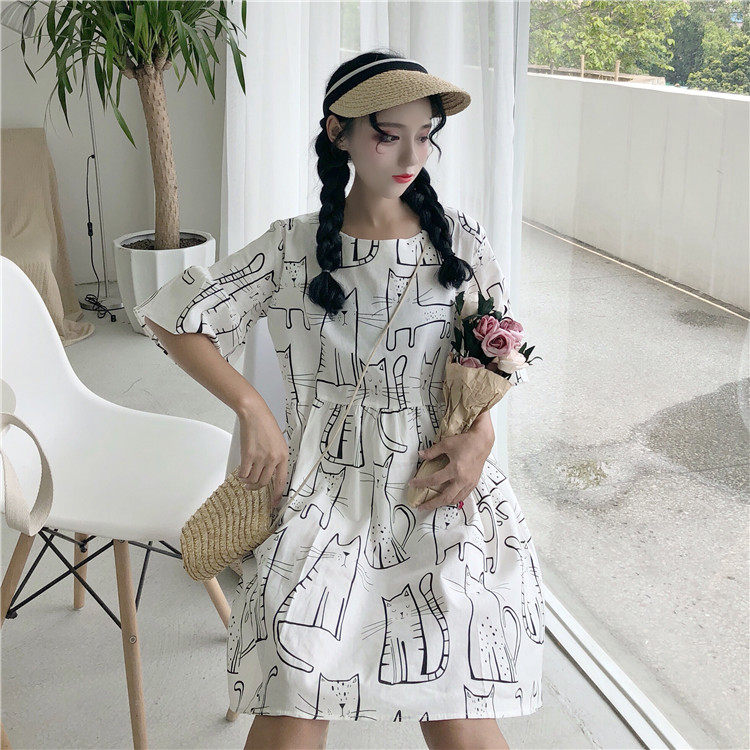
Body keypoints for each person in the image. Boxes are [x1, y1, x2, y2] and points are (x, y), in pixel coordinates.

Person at [133, 48, 545, 750]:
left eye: (425, 136)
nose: (412, 155)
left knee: (457, 705)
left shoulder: (462, 244)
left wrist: (481, 438)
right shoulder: (291, 248)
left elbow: (493, 361)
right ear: (339, 133)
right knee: (295, 686)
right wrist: (252, 409)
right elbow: (174, 316)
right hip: (323, 494)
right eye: (389, 135)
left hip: (434, 490)